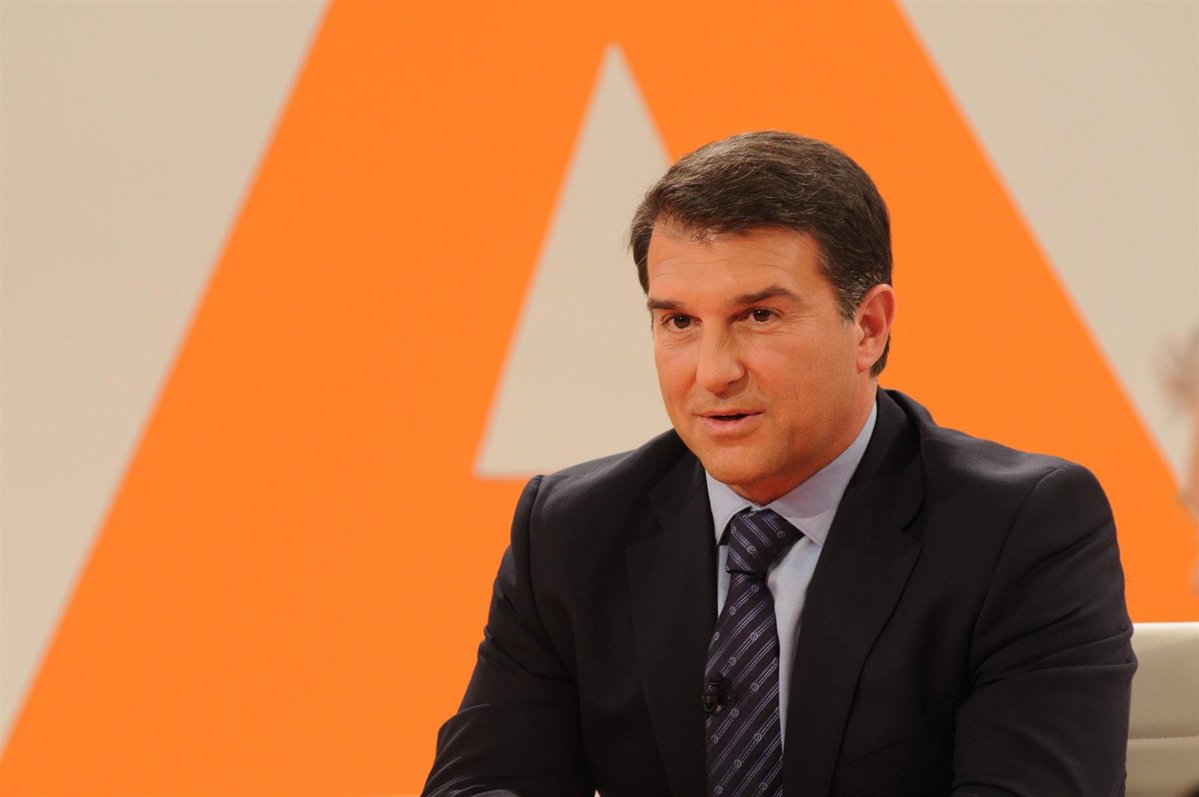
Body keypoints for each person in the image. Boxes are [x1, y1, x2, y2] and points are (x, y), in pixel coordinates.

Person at [423, 131, 1136, 796]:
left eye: (759, 316)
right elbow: (484, 782)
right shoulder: (572, 532)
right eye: (679, 322)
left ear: (868, 327)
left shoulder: (1018, 531)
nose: (713, 372)